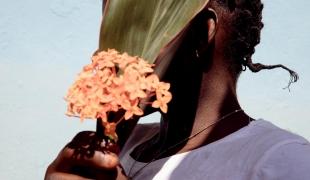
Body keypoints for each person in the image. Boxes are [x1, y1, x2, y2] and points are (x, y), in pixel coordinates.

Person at [45, 0, 310, 179]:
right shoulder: (126, 145)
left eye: (131, 28)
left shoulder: (281, 160)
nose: (112, 53)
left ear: (201, 34)